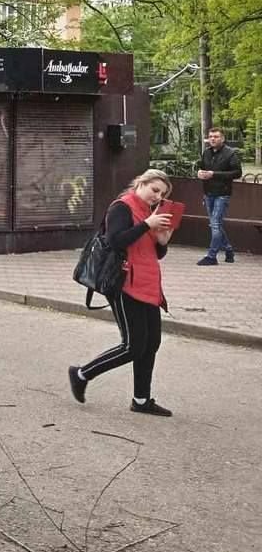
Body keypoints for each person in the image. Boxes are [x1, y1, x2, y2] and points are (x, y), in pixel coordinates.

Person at [69, 169, 175, 417]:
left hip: (148, 284)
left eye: (162, 194)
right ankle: (82, 374)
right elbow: (115, 241)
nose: (157, 197)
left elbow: (152, 252)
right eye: (154, 190)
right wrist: (147, 225)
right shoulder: (122, 207)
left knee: (151, 343)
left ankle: (141, 400)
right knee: (133, 346)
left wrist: (162, 240)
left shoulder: (150, 212)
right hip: (124, 284)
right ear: (142, 183)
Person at [195, 127, 242, 266]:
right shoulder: (207, 152)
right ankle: (228, 250)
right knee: (216, 225)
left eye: (216, 136)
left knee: (215, 224)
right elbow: (202, 167)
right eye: (210, 136)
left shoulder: (230, 154)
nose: (213, 139)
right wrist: (199, 173)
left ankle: (211, 256)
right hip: (208, 192)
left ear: (222, 138)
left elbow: (237, 173)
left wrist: (214, 174)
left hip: (222, 194)